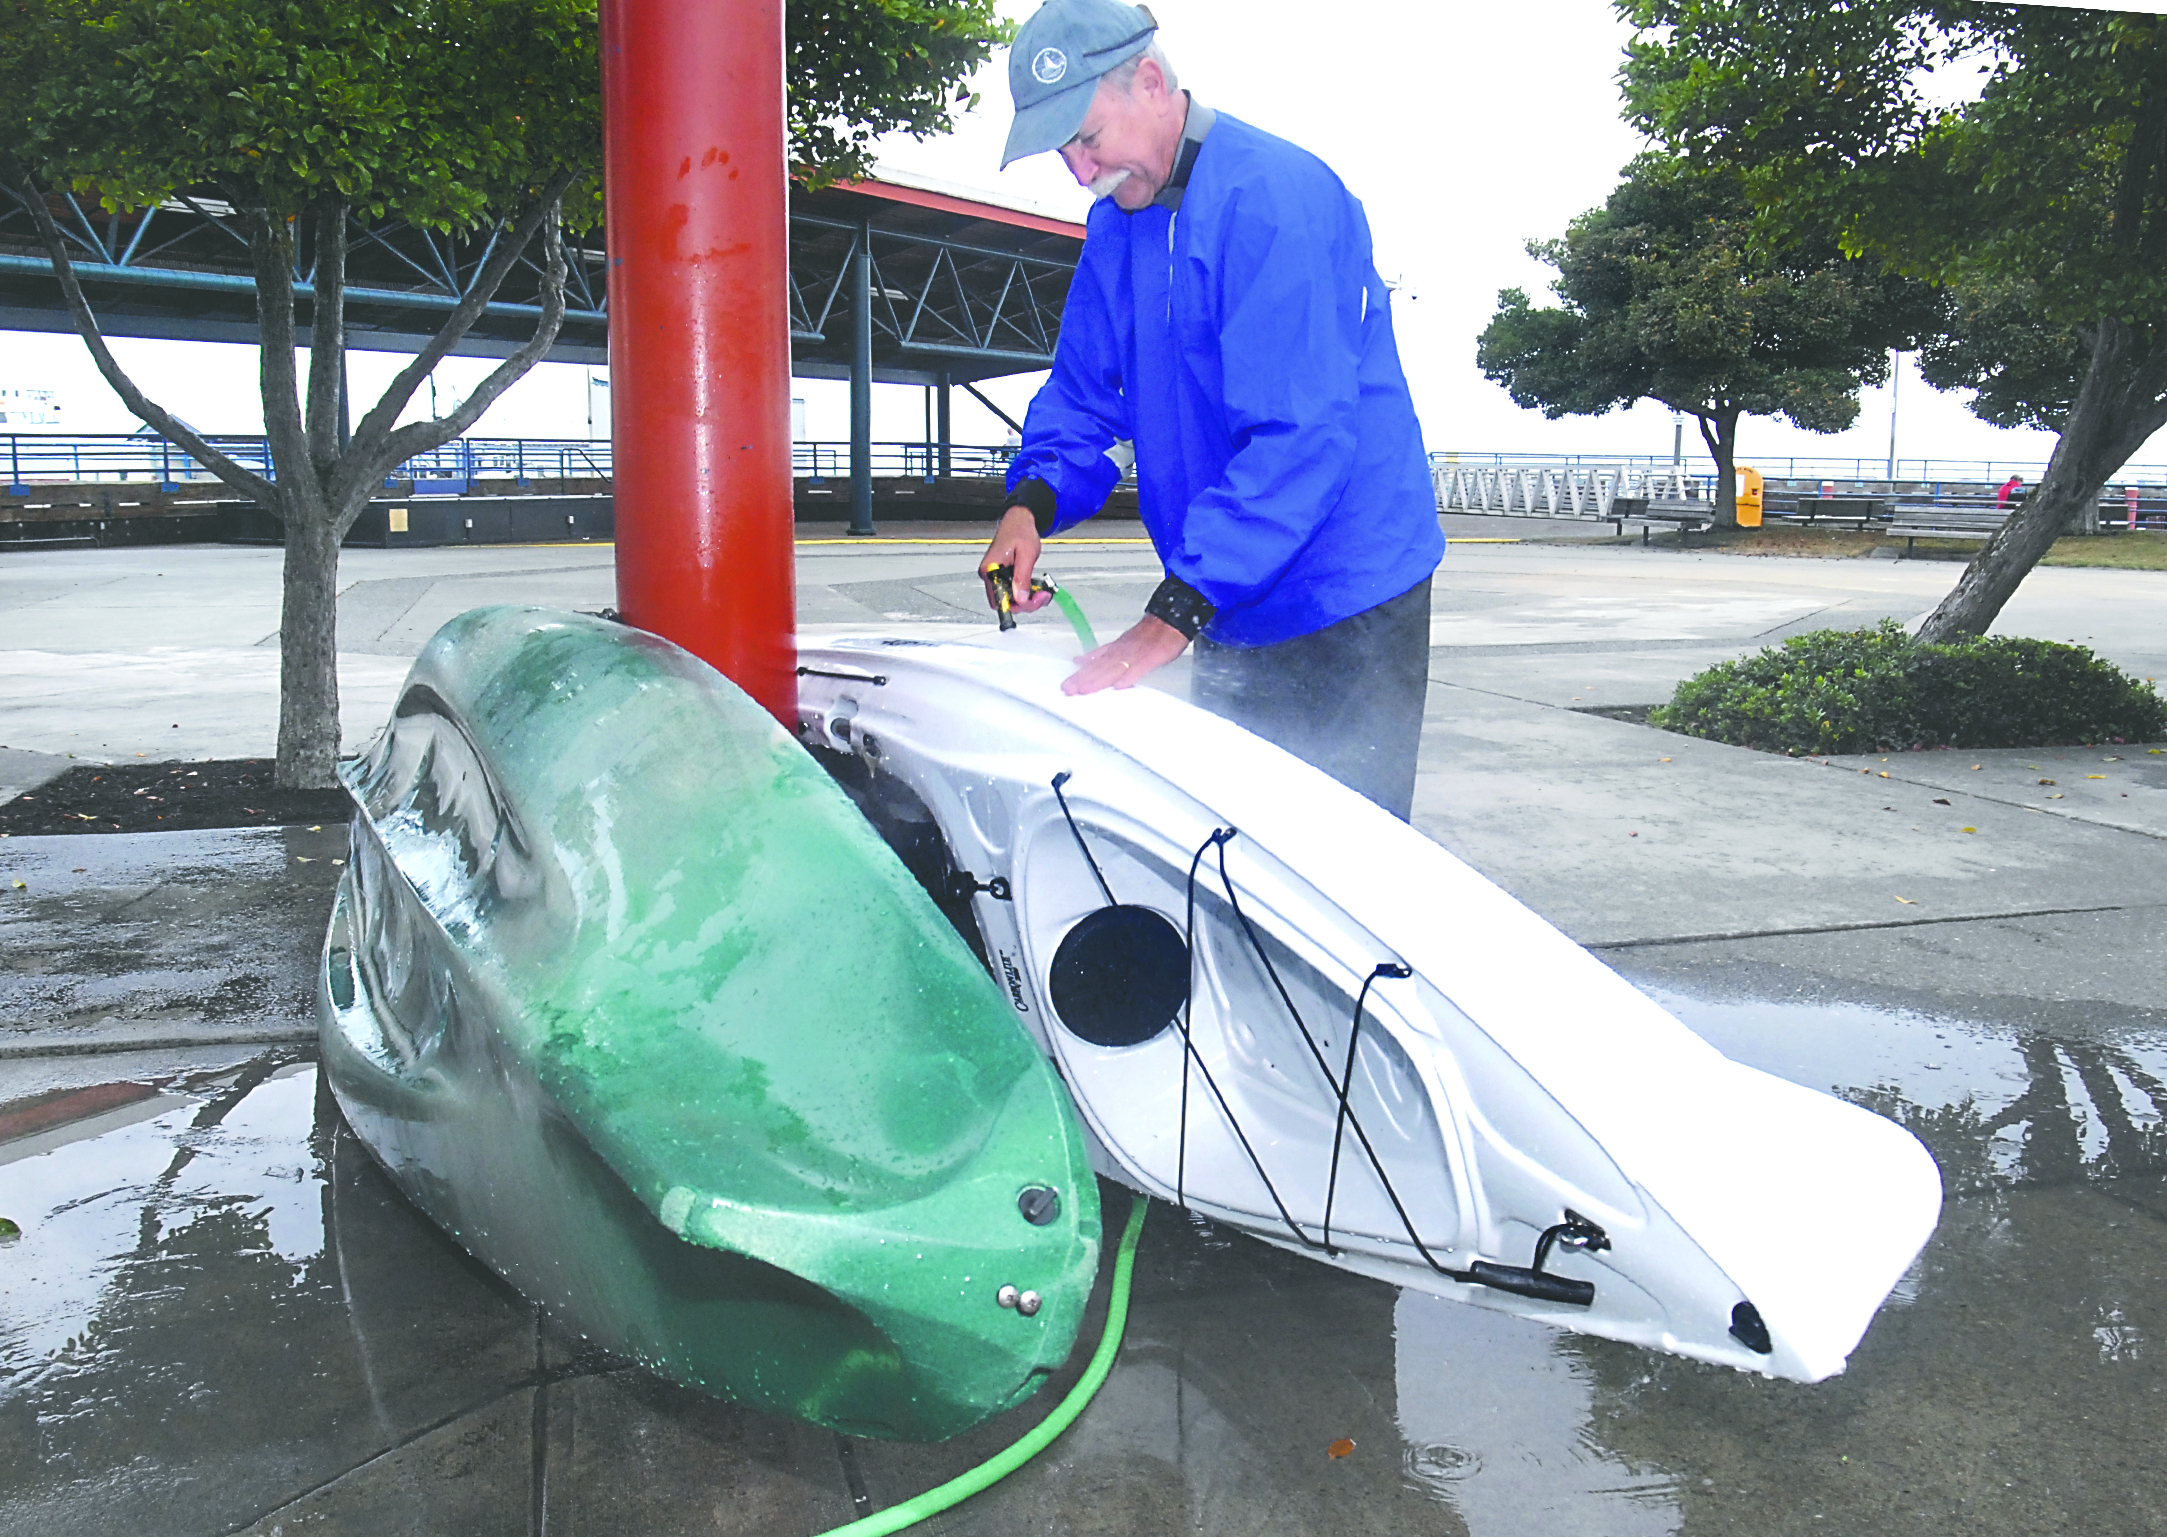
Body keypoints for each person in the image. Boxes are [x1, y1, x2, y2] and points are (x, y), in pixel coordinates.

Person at [976, 0, 1442, 820]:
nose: (1080, 172)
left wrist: (1169, 618)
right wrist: (1028, 506)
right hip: (1223, 586)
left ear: (1150, 81)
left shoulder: (1275, 196)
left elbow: (1298, 437)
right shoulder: (1115, 228)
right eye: (1064, 152)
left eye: (1086, 139)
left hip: (1343, 586)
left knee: (1341, 866)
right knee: (1238, 847)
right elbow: (1082, 393)